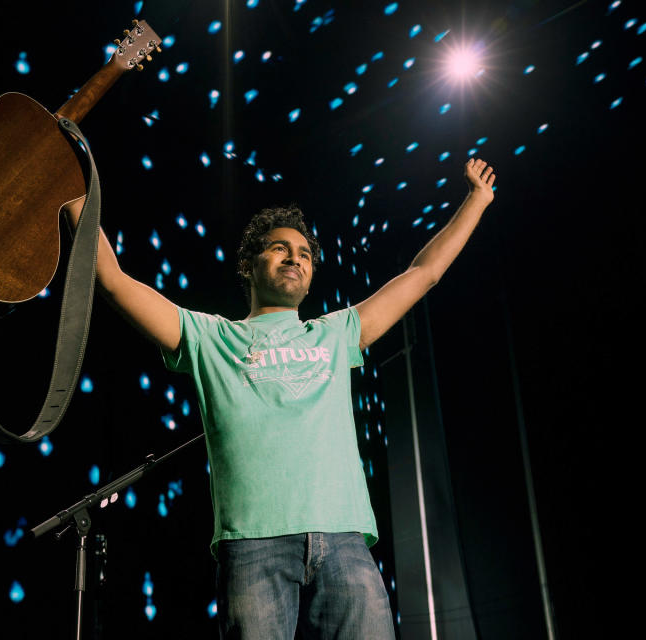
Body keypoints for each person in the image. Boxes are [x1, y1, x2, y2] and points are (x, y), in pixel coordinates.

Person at [64, 158, 496, 639]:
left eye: (305, 255)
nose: (295, 258)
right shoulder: (211, 336)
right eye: (280, 248)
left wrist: (476, 201)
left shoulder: (336, 333)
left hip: (346, 541)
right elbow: (112, 279)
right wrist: (69, 190)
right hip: (253, 545)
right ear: (248, 266)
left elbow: (424, 272)